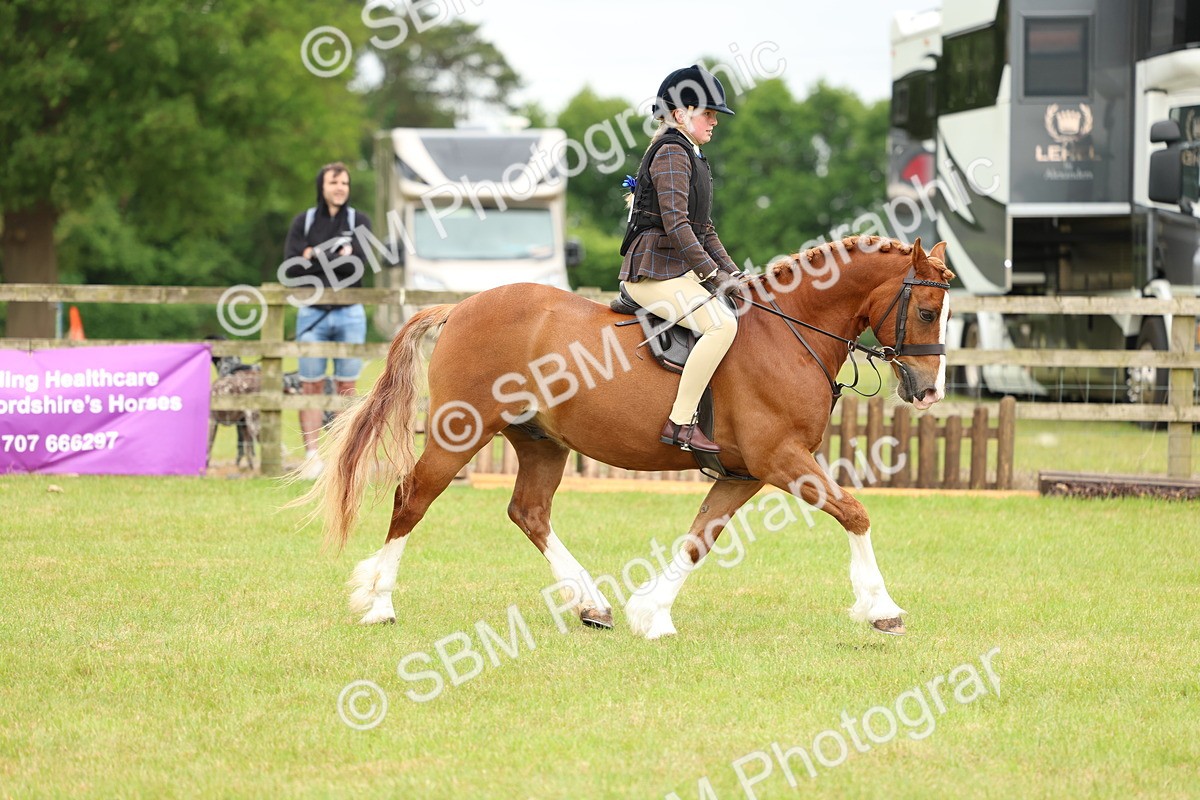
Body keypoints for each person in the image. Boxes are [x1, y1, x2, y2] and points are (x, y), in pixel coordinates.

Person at [619, 65, 745, 455]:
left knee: (736, 310)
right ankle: (680, 422)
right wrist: (711, 273)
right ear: (680, 114)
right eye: (707, 113)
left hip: (673, 270)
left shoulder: (692, 155)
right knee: (721, 326)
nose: (714, 121)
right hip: (652, 271)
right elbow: (676, 224)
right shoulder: (672, 152)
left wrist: (734, 275)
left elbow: (704, 228)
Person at [282, 161, 373, 479]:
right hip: (312, 313)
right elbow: (292, 268)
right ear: (322, 186)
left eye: (345, 183)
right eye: (334, 182)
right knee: (311, 385)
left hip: (350, 313)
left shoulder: (360, 221)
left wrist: (314, 255)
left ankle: (341, 457)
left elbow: (357, 266)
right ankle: (312, 458)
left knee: (347, 386)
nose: (340, 188)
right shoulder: (303, 221)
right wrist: (337, 257)